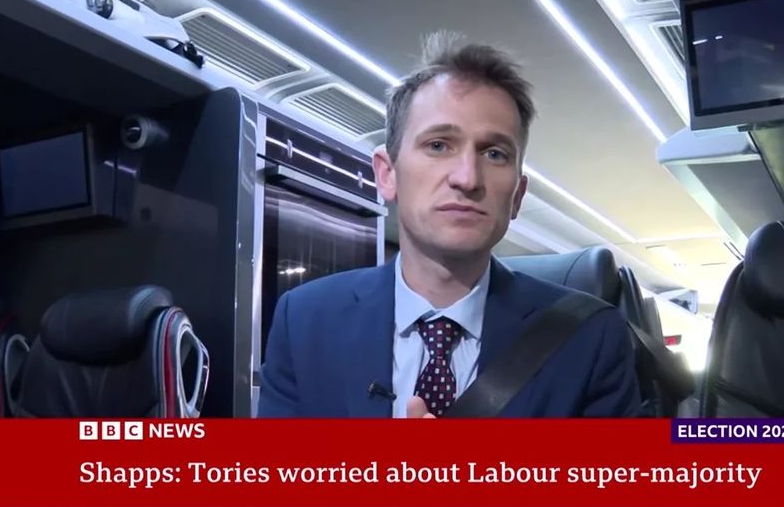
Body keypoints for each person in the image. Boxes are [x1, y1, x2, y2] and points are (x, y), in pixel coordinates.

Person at [259, 32, 640, 418]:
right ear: (387, 174)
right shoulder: (305, 320)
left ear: (518, 195)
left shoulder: (590, 338)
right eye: (438, 145)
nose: (467, 178)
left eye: (494, 153)